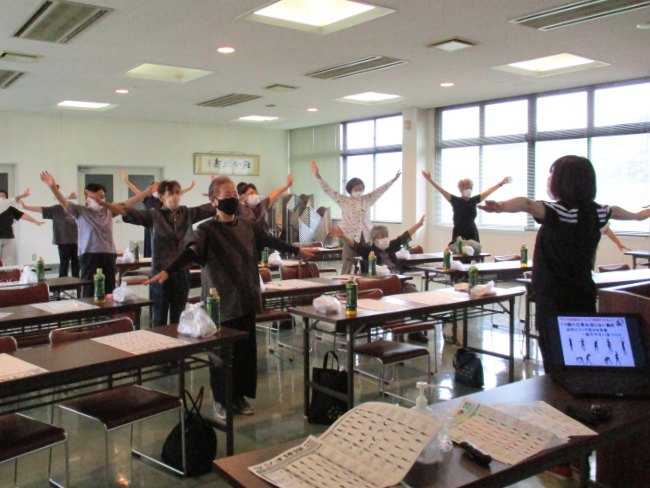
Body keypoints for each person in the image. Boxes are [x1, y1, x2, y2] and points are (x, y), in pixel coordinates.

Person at [144, 176, 314, 420]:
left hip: (246, 297)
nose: (233, 199)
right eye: (227, 196)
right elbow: (191, 252)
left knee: (245, 353)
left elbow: (270, 241)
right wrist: (168, 271)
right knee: (221, 355)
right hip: (220, 302)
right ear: (214, 201)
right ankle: (221, 399)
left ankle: (239, 397)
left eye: (235, 194)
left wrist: (297, 250)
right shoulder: (205, 230)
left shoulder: (247, 225)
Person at [478, 155, 650, 368]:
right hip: (584, 293)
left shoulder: (561, 212)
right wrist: (643, 215)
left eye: (552, 174)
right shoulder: (598, 212)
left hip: (554, 298)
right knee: (584, 356)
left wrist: (500, 207)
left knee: (555, 358)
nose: (549, 179)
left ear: (564, 180)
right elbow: (635, 216)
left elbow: (525, 203)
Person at [95, 180, 214, 326]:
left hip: (181, 271)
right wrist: (104, 204)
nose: (175, 196)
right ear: (162, 197)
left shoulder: (187, 214)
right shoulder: (154, 215)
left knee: (179, 315)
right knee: (159, 315)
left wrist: (219, 195)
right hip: (160, 271)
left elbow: (210, 208)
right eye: (171, 193)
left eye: (177, 193)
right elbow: (127, 211)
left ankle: (176, 339)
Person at [331, 216, 427, 342]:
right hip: (381, 286)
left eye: (386, 236)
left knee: (417, 298)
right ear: (374, 240)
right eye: (381, 237)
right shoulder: (369, 251)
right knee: (394, 304)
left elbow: (405, 236)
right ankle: (396, 328)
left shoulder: (392, 247)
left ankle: (415, 331)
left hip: (400, 283)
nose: (385, 239)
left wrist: (419, 225)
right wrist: (343, 236)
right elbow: (355, 245)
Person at [40, 172, 122, 298]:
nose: (99, 200)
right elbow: (64, 203)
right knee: (89, 290)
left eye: (102, 197)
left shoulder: (108, 211)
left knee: (109, 290)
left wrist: (144, 193)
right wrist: (53, 188)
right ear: (87, 198)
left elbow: (127, 205)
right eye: (95, 197)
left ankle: (109, 311)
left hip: (108, 255)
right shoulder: (81, 211)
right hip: (88, 255)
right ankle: (85, 309)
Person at [311, 161, 401, 274]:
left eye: (360, 189)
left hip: (366, 237)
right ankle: (344, 283)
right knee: (347, 264)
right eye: (356, 189)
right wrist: (318, 176)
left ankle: (367, 281)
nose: (359, 191)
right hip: (350, 237)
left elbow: (380, 191)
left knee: (369, 262)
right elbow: (329, 191)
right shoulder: (343, 200)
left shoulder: (367, 199)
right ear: (350, 190)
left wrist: (393, 180)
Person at [121, 171, 195, 258]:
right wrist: (126, 180)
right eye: (154, 186)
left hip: (163, 224)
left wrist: (189, 188)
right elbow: (135, 190)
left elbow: (177, 193)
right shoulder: (146, 198)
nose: (156, 187)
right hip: (150, 223)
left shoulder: (164, 199)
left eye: (158, 186)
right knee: (150, 245)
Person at [422, 171, 512, 243]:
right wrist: (430, 180)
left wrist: (500, 184)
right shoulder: (455, 201)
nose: (468, 190)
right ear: (461, 190)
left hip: (472, 232)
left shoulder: (474, 200)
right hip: (459, 232)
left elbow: (488, 192)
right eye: (466, 188)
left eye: (470, 188)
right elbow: (441, 190)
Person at [17, 191, 80, 277]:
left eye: (74, 197)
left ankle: (77, 283)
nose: (73, 199)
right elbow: (41, 209)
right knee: (64, 263)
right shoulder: (56, 209)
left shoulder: (77, 208)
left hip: (77, 240)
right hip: (62, 240)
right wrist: (25, 207)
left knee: (76, 263)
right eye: (71, 197)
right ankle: (62, 283)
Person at [0, 188, 45, 266]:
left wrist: (36, 221)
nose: (1, 198)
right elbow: (14, 199)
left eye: (3, 196)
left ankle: (6, 273)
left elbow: (23, 215)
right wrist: (22, 195)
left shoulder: (11, 210)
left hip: (8, 236)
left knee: (7, 260)